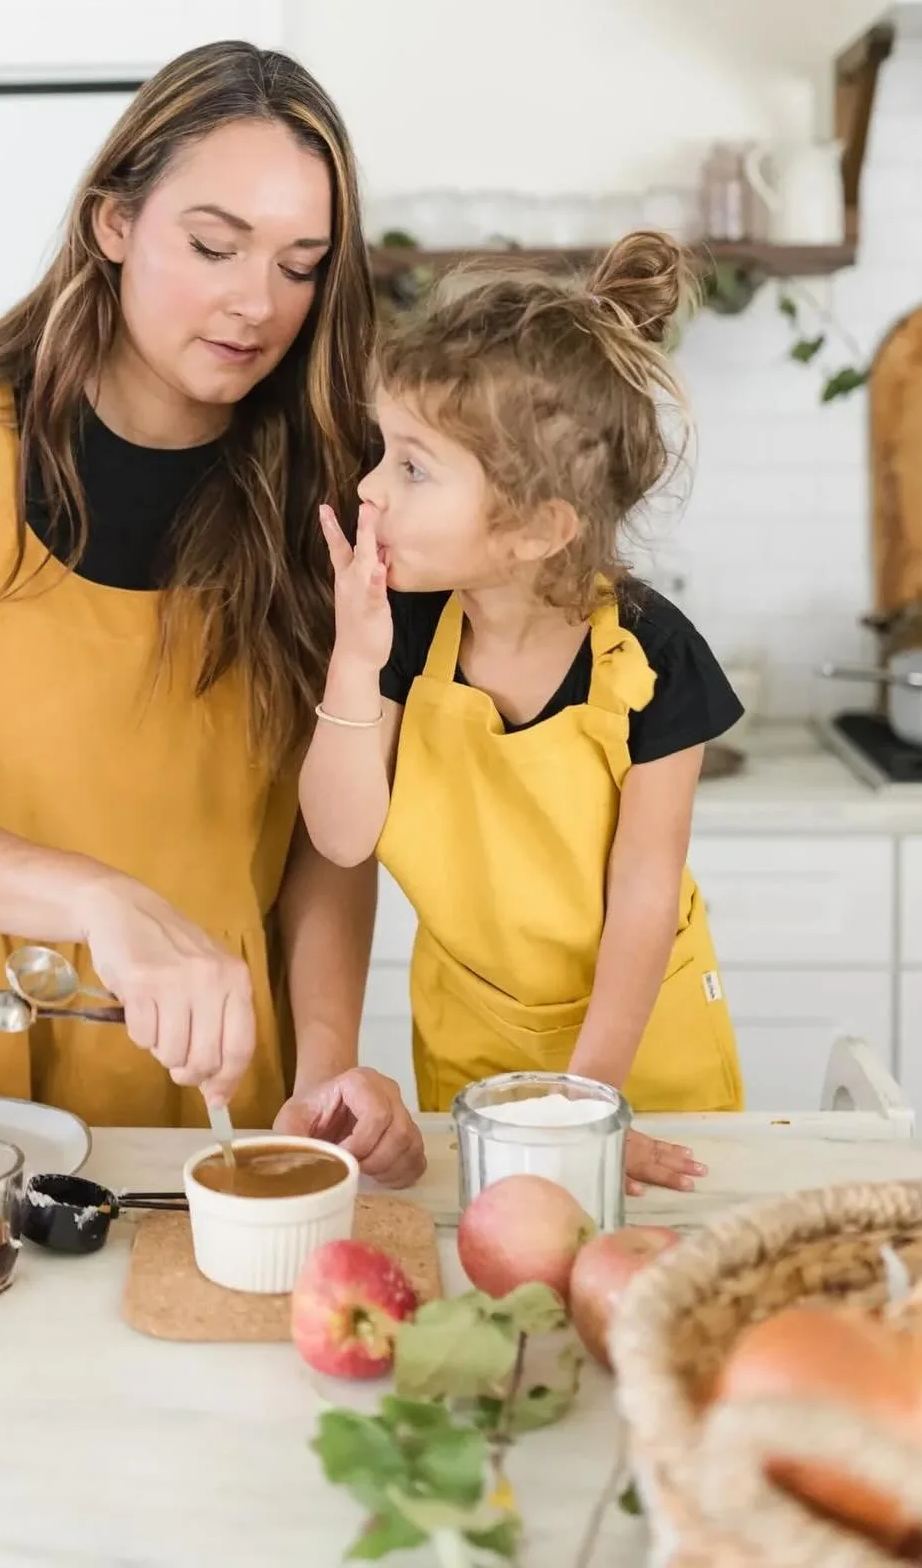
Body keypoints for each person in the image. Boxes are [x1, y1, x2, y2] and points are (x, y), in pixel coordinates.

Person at [0, 41, 425, 1188]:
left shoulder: (341, 491)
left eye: (301, 264)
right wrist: (100, 899)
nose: (255, 301)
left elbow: (330, 838)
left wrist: (328, 1056)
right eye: (214, 245)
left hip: (189, 1056)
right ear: (114, 221)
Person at [298, 234, 745, 1194]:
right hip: (473, 1047)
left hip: (636, 1059)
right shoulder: (405, 633)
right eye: (385, 453)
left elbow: (641, 903)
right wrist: (353, 659)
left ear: (539, 525)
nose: (370, 487)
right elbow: (341, 837)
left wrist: (584, 1113)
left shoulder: (654, 658)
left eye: (413, 467)